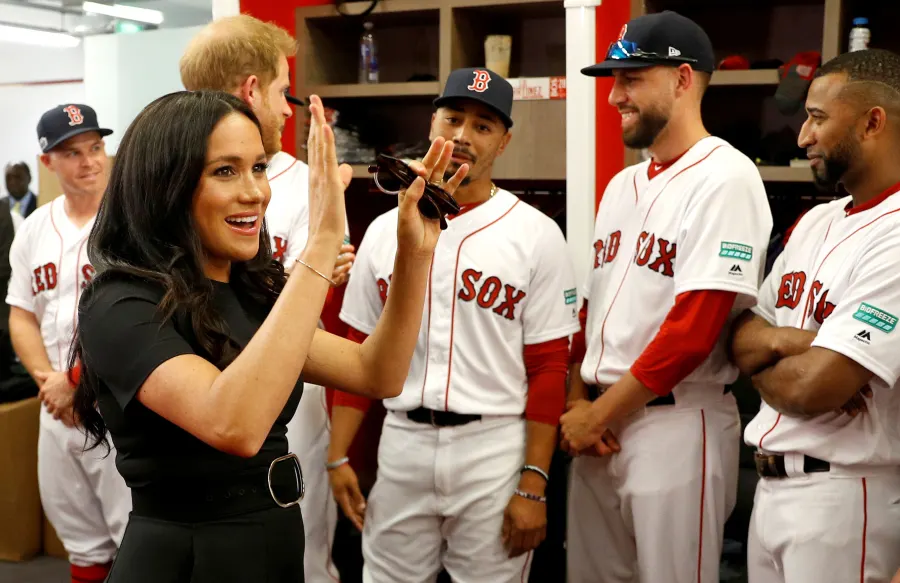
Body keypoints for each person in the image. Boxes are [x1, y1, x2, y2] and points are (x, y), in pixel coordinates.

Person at [69, 90, 466, 583]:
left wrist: (415, 254)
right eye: (225, 171)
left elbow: (378, 372)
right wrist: (321, 245)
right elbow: (234, 424)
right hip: (187, 558)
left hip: (271, 543)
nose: (255, 192)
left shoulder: (251, 291)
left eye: (258, 167)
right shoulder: (119, 302)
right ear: (165, 184)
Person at [327, 67, 579, 583]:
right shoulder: (382, 230)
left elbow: (550, 366)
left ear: (504, 141)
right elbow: (356, 348)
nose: (463, 136)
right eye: (454, 118)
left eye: (483, 125)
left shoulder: (536, 234)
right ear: (433, 122)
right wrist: (337, 455)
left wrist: (534, 483)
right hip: (401, 444)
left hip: (493, 449)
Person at [561, 11, 773, 583]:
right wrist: (580, 402)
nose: (614, 97)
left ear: (682, 79)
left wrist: (595, 413)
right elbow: (594, 311)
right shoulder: (622, 184)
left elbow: (692, 331)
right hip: (602, 426)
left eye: (631, 79)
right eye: (614, 80)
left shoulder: (726, 177)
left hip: (675, 425)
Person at [180, 18, 354, 579]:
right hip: (191, 399)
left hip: (285, 400)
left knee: (298, 560)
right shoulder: (168, 181)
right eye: (282, 92)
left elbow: (312, 313)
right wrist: (315, 273)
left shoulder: (308, 180)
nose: (288, 110)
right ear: (251, 90)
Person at [729, 48, 900, 583]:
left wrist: (774, 348)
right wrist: (804, 342)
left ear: (873, 122)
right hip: (771, 492)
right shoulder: (814, 221)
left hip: (846, 496)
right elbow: (739, 338)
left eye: (818, 118)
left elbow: (816, 388)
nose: (803, 136)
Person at [6, 103, 130, 583]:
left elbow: (143, 321)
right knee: (80, 541)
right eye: (73, 152)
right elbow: (21, 315)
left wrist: (78, 384)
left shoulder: (134, 220)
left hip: (119, 403)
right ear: (48, 162)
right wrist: (51, 384)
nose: (90, 161)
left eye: (96, 147)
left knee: (135, 534)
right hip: (57, 406)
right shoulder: (34, 229)